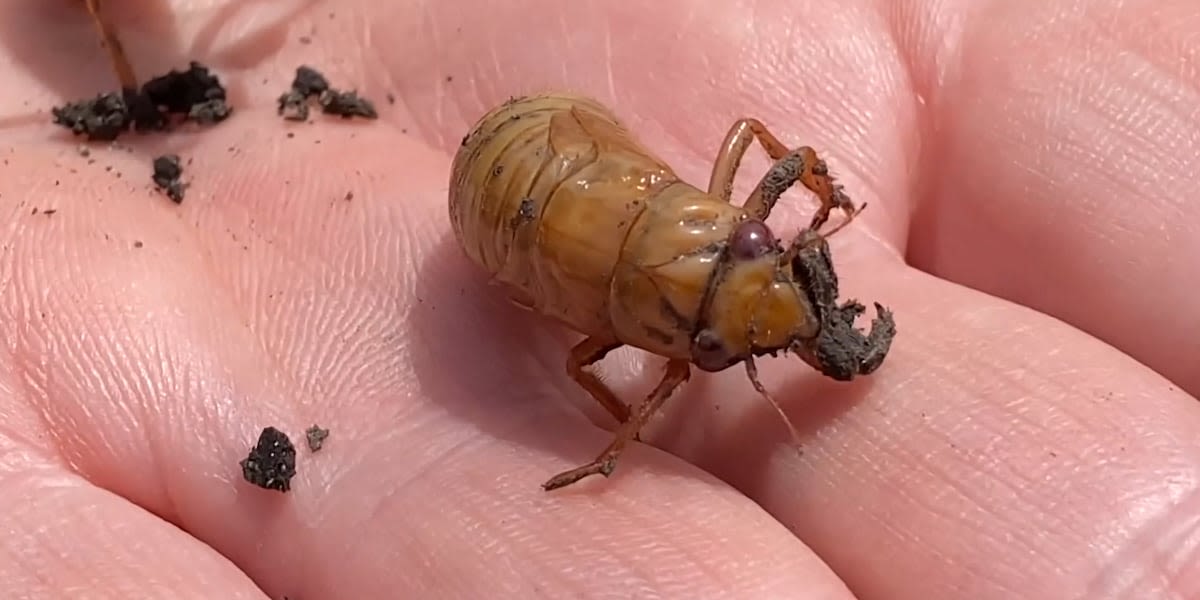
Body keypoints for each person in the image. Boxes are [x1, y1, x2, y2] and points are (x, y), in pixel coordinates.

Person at [1, 1, 1196, 597]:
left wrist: (619, 428)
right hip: (530, 171)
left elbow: (596, 353)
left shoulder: (691, 276)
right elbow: (594, 354)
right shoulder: (681, 318)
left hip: (546, 163)